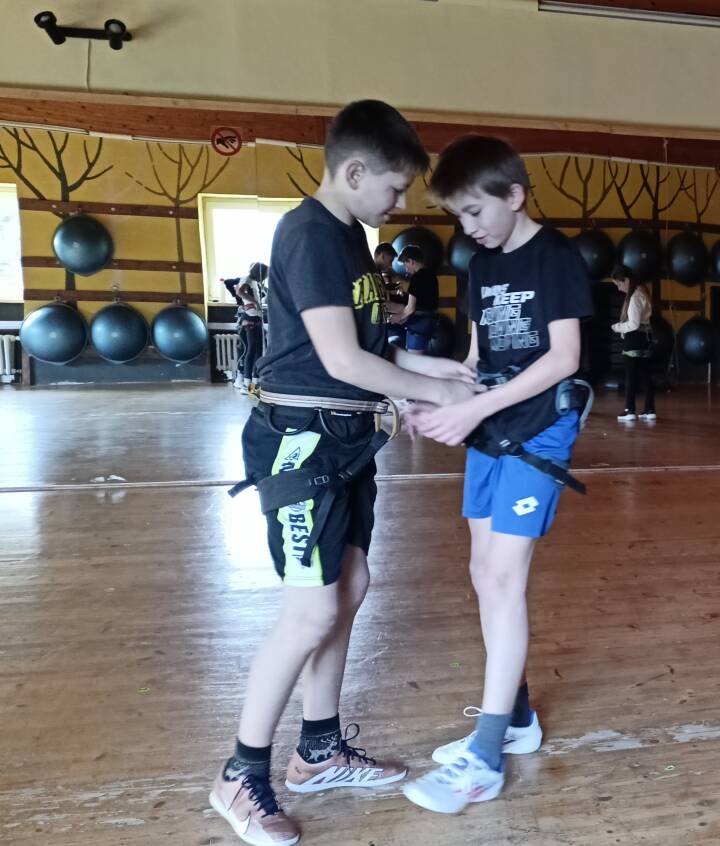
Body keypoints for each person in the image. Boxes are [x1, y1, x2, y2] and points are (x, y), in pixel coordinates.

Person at [211, 100, 485, 846]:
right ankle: (239, 773)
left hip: (346, 443)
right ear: (355, 171)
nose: (399, 205)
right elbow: (339, 361)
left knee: (351, 586)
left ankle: (319, 750)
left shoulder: (351, 241)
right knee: (309, 612)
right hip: (301, 446)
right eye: (394, 189)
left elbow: (371, 348)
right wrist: (433, 395)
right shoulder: (309, 234)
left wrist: (444, 372)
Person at [401, 134, 593, 814]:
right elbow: (478, 358)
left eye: (476, 211)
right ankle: (516, 717)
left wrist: (475, 407)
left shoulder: (556, 257)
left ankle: (485, 756)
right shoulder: (479, 267)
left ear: (515, 195)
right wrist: (441, 397)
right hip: (491, 424)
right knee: (483, 573)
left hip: (540, 429)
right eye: (458, 217)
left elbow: (564, 358)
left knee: (505, 578)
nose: (469, 227)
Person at [609, 264, 656, 422]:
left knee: (630, 375)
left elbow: (634, 324)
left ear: (627, 280)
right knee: (645, 374)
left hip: (634, 338)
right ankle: (649, 409)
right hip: (644, 337)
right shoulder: (642, 292)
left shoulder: (635, 297)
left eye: (619, 283)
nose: (619, 288)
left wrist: (617, 327)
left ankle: (630, 410)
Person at [397, 245, 441, 354]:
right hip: (431, 322)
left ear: (411, 261)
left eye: (405, 264)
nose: (406, 269)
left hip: (419, 324)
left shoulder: (417, 277)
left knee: (414, 359)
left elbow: (410, 308)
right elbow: (424, 300)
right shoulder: (432, 275)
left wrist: (397, 318)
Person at [234, 262, 268, 394]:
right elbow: (239, 292)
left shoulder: (253, 282)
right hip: (250, 318)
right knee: (252, 350)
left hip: (256, 317)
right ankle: (246, 384)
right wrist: (254, 302)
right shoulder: (247, 279)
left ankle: (254, 384)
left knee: (258, 351)